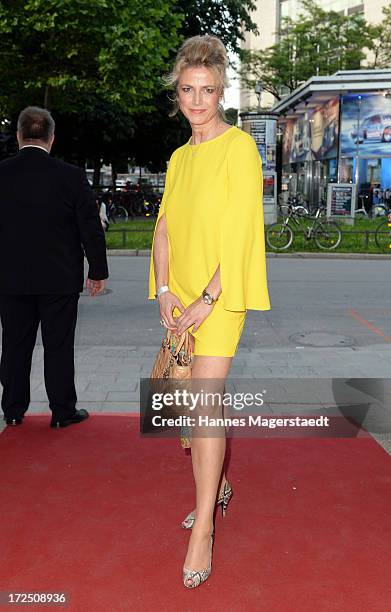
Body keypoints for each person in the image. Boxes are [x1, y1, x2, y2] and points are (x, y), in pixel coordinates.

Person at [148, 36, 271, 588]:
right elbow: (165, 228)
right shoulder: (177, 158)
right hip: (185, 294)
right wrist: (168, 290)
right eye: (187, 90)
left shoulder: (240, 147)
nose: (197, 101)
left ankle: (204, 530)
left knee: (202, 404)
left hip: (223, 295)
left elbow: (245, 232)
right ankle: (212, 483)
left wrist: (208, 298)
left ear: (222, 92)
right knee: (190, 405)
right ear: (177, 94)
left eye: (207, 91)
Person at [0, 106, 108, 428]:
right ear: (51, 138)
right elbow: (90, 226)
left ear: (19, 136)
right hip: (59, 278)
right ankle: (62, 411)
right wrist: (98, 270)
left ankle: (14, 410)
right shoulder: (70, 176)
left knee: (14, 345)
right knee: (58, 345)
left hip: (10, 278)